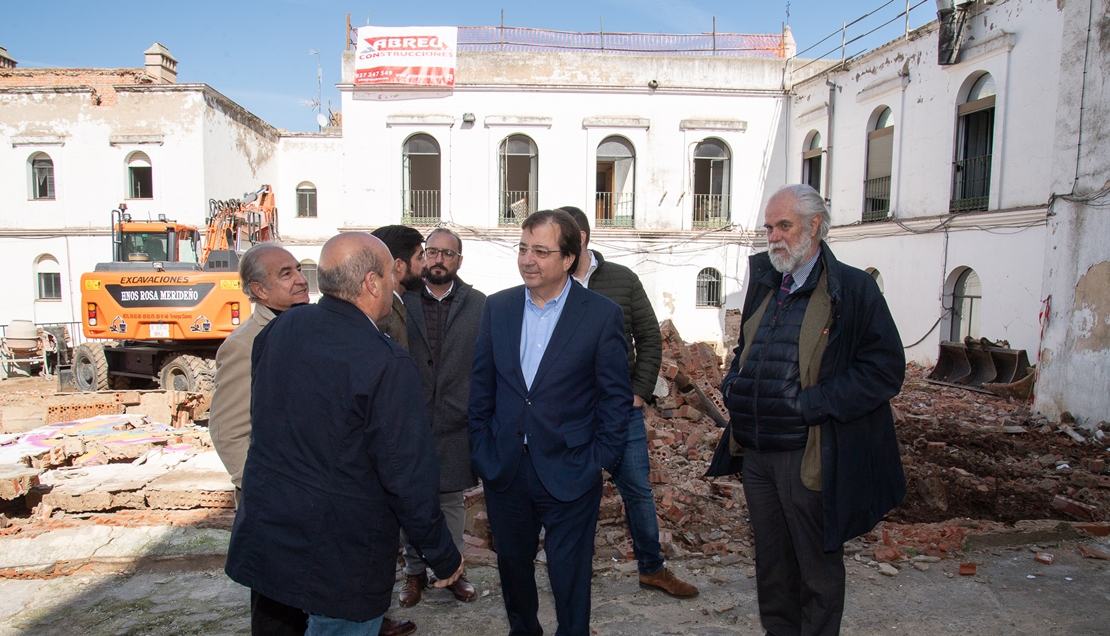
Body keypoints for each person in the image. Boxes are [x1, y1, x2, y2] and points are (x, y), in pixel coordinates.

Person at [225, 232, 462, 635]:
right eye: (390, 275)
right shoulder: (385, 360)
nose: (395, 283)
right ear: (372, 282)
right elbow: (406, 474)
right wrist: (442, 552)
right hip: (341, 553)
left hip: (273, 532)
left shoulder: (283, 329)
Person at [709, 184, 906, 636]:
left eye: (784, 225)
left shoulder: (852, 289)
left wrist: (814, 403)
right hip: (757, 455)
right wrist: (733, 383)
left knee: (816, 571)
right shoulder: (767, 282)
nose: (773, 237)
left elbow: (885, 370)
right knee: (773, 569)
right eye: (768, 228)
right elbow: (746, 350)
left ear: (815, 226)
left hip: (809, 455)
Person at [468, 209, 632, 636]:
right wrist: (483, 450)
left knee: (570, 576)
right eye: (523, 248)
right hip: (506, 469)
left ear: (569, 258)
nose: (527, 260)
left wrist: (598, 457)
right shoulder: (498, 307)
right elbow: (481, 386)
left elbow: (616, 399)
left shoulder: (600, 315)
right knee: (513, 571)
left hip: (571, 468)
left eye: (541, 251)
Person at [561, 206, 698, 599]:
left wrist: (639, 391)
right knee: (574, 493)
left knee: (637, 490)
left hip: (620, 411)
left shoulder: (622, 279)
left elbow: (650, 339)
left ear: (580, 239)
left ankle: (652, 569)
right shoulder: (552, 284)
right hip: (572, 414)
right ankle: (573, 574)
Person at [210, 242, 310, 635]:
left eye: (298, 269)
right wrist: (261, 488)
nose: (301, 279)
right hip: (274, 506)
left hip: (312, 499)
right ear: (259, 291)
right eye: (286, 274)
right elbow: (228, 430)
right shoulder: (244, 344)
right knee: (277, 609)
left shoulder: (310, 327)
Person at [398, 228, 485, 606]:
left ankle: (452, 572)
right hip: (410, 420)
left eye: (448, 254)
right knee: (411, 502)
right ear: (423, 256)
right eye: (432, 252)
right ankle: (414, 574)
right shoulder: (401, 301)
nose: (439, 260)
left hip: (455, 422)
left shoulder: (479, 304)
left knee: (450, 502)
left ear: (459, 262)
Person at [369, 225, 426, 349]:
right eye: (420, 258)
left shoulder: (394, 305)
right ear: (399, 265)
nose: (425, 264)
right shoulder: (381, 314)